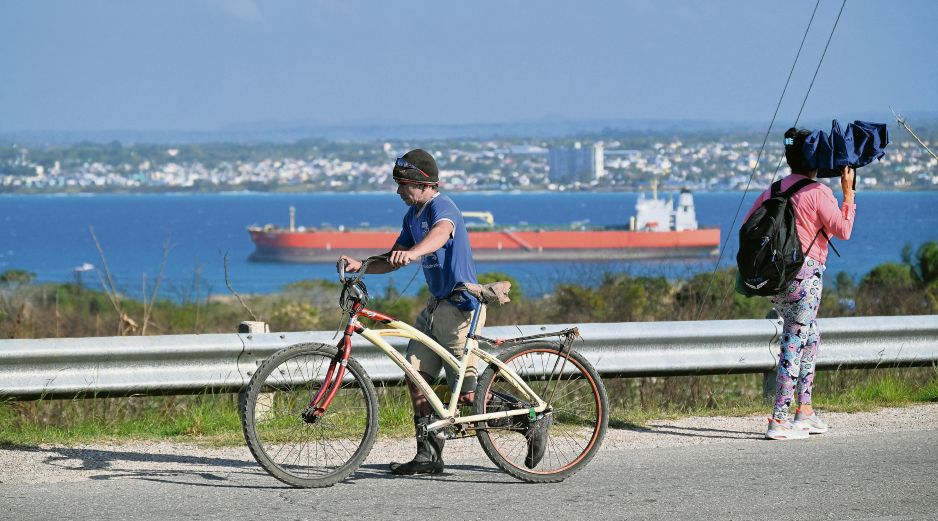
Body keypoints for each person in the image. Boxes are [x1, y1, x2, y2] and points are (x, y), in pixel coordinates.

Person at [337, 148, 486, 475]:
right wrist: (361, 267)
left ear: (421, 184)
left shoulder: (442, 206)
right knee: (416, 376)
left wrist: (415, 252)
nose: (398, 191)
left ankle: (531, 420)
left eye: (402, 184)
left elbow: (440, 234)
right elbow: (394, 257)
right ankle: (428, 457)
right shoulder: (412, 216)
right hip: (435, 309)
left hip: (460, 307)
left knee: (468, 395)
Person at [744, 127, 857, 441]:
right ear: (816, 161)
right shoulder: (819, 193)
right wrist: (848, 194)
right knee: (794, 341)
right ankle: (779, 419)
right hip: (806, 280)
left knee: (810, 335)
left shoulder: (774, 189)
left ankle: (804, 411)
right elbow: (843, 229)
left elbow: (748, 226)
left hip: (777, 281)